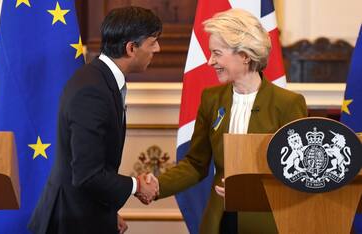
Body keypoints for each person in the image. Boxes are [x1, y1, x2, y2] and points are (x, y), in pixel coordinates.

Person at [138, 8, 308, 234]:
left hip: (267, 222)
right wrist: (158, 185)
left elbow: (299, 172)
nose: (210, 62)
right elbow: (195, 164)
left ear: (245, 55)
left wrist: (253, 190)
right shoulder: (211, 99)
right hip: (220, 220)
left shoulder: (288, 103)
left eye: (217, 53)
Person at [28, 6, 161, 234]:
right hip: (70, 221)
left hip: (85, 212)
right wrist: (136, 185)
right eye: (153, 42)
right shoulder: (93, 90)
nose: (157, 49)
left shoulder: (98, 79)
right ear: (131, 48)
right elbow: (88, 174)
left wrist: (107, 212)